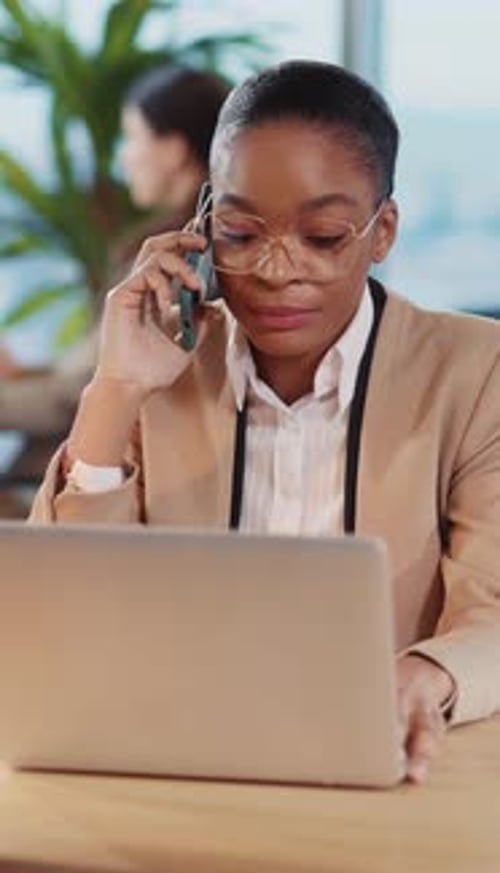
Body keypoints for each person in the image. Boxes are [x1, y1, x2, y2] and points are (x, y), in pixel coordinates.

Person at [30, 60, 500, 783]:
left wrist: (425, 676)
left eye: (324, 237)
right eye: (242, 233)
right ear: (202, 223)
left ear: (383, 232)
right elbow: (61, 616)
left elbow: (493, 611)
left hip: (389, 773)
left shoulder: (476, 371)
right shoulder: (162, 364)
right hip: (171, 763)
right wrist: (117, 389)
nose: (279, 270)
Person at [0, 64, 230, 438]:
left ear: (173, 150)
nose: (124, 158)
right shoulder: (206, 242)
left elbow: (82, 398)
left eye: (132, 138)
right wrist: (23, 374)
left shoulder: (174, 260)